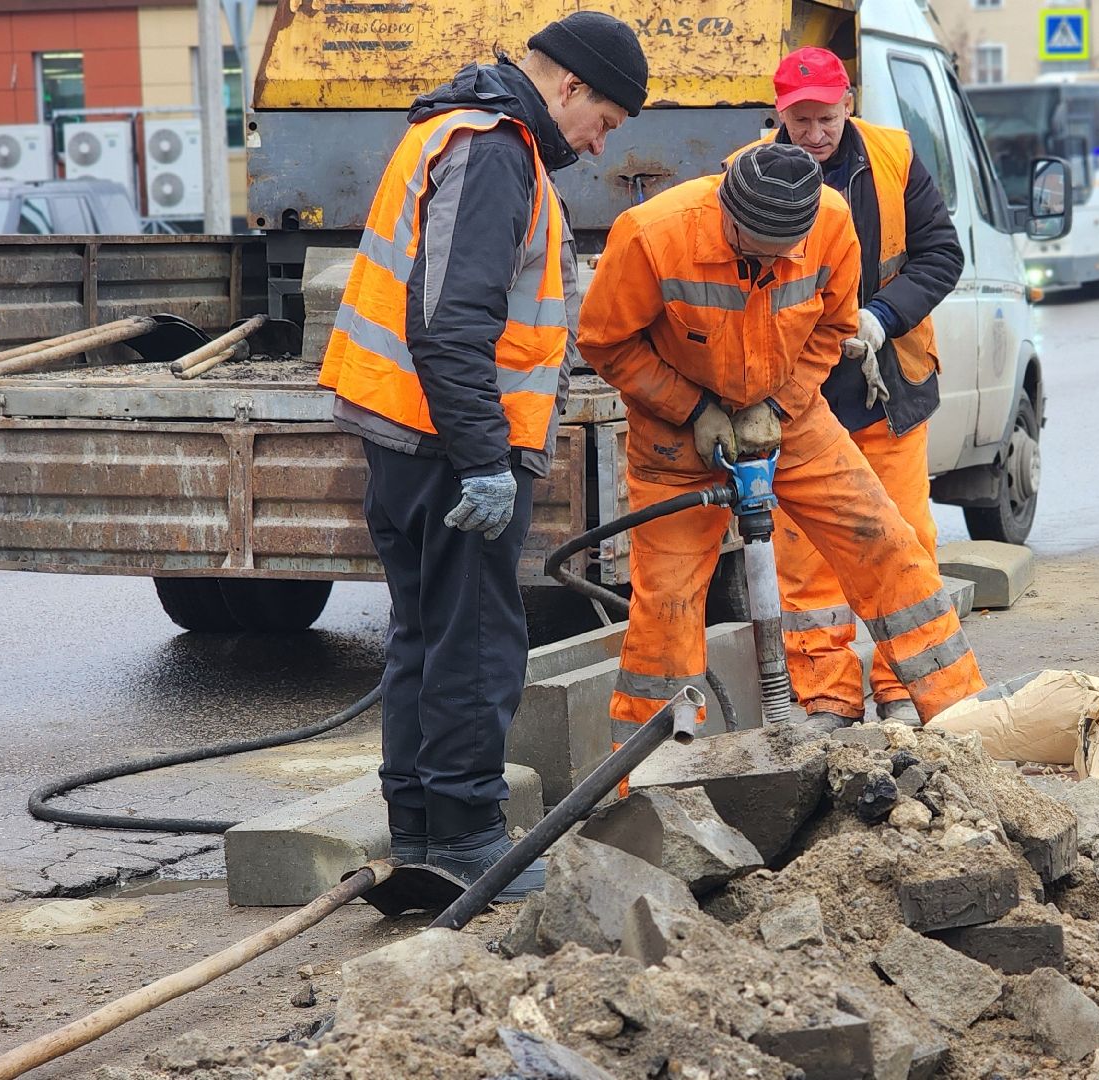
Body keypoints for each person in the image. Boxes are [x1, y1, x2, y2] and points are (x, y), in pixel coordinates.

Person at [317, 12, 647, 900]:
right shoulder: (496, 147)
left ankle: (423, 831)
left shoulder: (454, 130)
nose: (599, 141)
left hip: (415, 434)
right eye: (606, 120)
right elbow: (453, 320)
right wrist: (483, 458)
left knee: (428, 634)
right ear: (571, 87)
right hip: (447, 441)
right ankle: (466, 839)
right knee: (472, 643)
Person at [577, 142, 987, 753]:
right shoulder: (652, 235)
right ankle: (650, 775)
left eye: (783, 255)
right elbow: (604, 343)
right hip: (678, 435)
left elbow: (834, 326)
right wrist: (692, 409)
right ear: (728, 216)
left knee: (884, 540)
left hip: (788, 418)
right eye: (755, 252)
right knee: (667, 605)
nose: (770, 265)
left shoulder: (829, 221)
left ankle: (960, 718)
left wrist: (778, 406)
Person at [761, 46, 965, 729]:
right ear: (781, 117)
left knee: (903, 541)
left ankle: (906, 690)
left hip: (887, 388)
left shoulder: (892, 158)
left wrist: (881, 317)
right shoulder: (753, 172)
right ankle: (827, 699)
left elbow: (942, 254)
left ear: (848, 103)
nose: (814, 135)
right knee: (807, 555)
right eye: (800, 122)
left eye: (824, 118)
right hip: (799, 399)